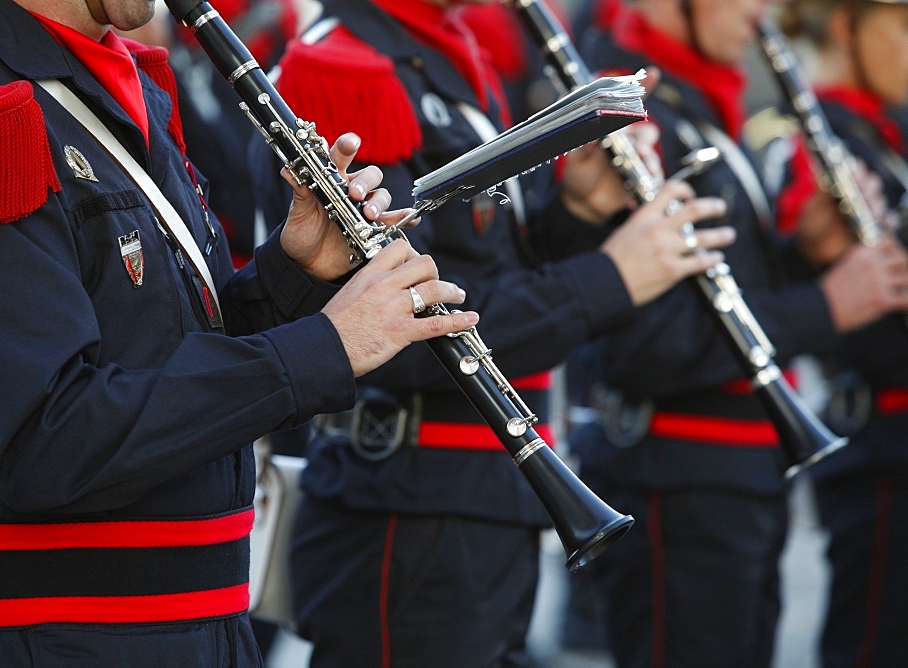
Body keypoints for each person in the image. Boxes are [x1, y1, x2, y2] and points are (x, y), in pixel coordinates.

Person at [0, 0, 484, 664]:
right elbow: (48, 442)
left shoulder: (113, 81)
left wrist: (289, 274)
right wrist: (324, 347)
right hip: (62, 638)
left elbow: (160, 354)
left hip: (197, 627)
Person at [252, 0, 741, 664]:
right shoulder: (340, 69)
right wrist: (610, 277)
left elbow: (487, 263)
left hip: (483, 503)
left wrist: (578, 208)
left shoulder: (444, 55)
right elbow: (404, 327)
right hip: (411, 512)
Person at [557, 0, 908, 665]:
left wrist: (809, 252)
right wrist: (827, 303)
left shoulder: (706, 107)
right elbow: (645, 346)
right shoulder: (638, 117)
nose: (763, 10)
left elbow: (733, 290)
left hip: (739, 479)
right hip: (678, 485)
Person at [773, 1, 908, 665]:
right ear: (847, 26)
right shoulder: (820, 132)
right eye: (904, 25)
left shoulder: (889, 127)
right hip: (882, 444)